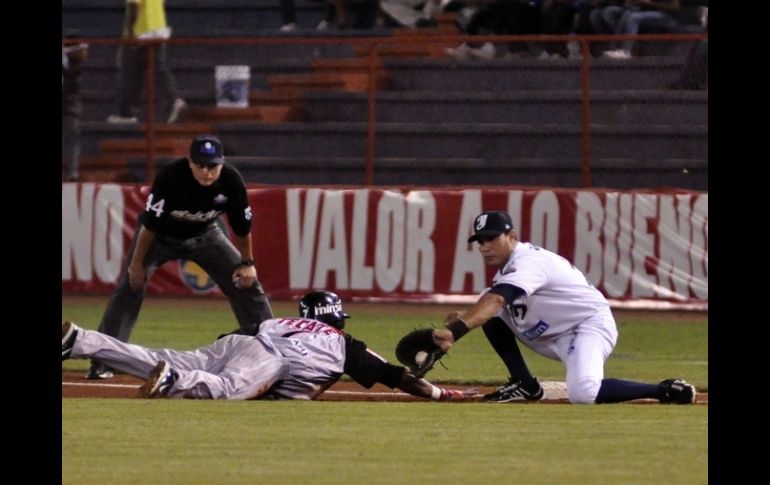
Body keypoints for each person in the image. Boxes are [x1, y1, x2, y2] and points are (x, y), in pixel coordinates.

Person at [430, 210, 697, 404]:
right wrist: (468, 316)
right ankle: (525, 384)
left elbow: (498, 300)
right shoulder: (507, 271)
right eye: (480, 241)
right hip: (550, 334)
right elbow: (494, 303)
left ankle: (662, 390)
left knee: (584, 393)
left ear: (511, 236)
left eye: (491, 238)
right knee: (487, 301)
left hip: (586, 326)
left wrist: (456, 331)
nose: (485, 246)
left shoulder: (529, 261)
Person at [85, 134, 274, 379]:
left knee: (248, 284)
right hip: (160, 237)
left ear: (222, 163)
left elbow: (242, 227)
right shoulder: (171, 176)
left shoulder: (230, 179)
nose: (207, 172)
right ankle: (104, 360)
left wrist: (247, 264)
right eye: (201, 166)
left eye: (213, 166)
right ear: (189, 162)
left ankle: (273, 353)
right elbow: (149, 225)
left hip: (206, 235)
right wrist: (136, 265)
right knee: (129, 288)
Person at [63, 291, 469, 401]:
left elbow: (229, 341)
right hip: (269, 359)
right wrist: (438, 392)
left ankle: (80, 340)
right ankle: (174, 382)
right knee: (228, 390)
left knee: (159, 355)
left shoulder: (279, 318)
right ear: (336, 319)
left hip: (244, 339)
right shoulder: (341, 341)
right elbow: (394, 375)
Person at [106, 0, 187, 124]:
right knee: (151, 68)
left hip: (141, 31)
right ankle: (173, 101)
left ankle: (126, 112)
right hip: (158, 29)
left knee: (128, 69)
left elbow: (134, 6)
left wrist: (129, 33)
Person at [62, 35, 88, 182]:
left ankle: (72, 173)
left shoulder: (76, 66)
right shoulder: (69, 66)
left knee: (72, 138)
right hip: (68, 108)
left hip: (70, 109)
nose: (85, 53)